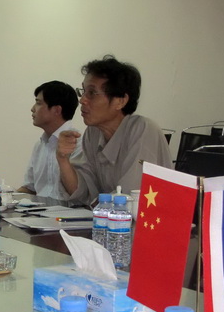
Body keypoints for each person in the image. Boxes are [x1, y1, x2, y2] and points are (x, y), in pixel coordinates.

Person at [56, 55, 173, 205]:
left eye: (92, 93)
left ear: (120, 101)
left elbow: (129, 197)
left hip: (148, 218)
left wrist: (95, 206)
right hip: (110, 218)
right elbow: (82, 192)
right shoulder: (93, 132)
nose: (82, 100)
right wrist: (63, 159)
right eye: (83, 91)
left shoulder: (142, 129)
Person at [17, 81, 80, 200]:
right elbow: (30, 188)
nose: (32, 109)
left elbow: (79, 193)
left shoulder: (79, 144)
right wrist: (5, 197)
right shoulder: (40, 145)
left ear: (57, 110)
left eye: (38, 103)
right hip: (40, 209)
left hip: (70, 211)